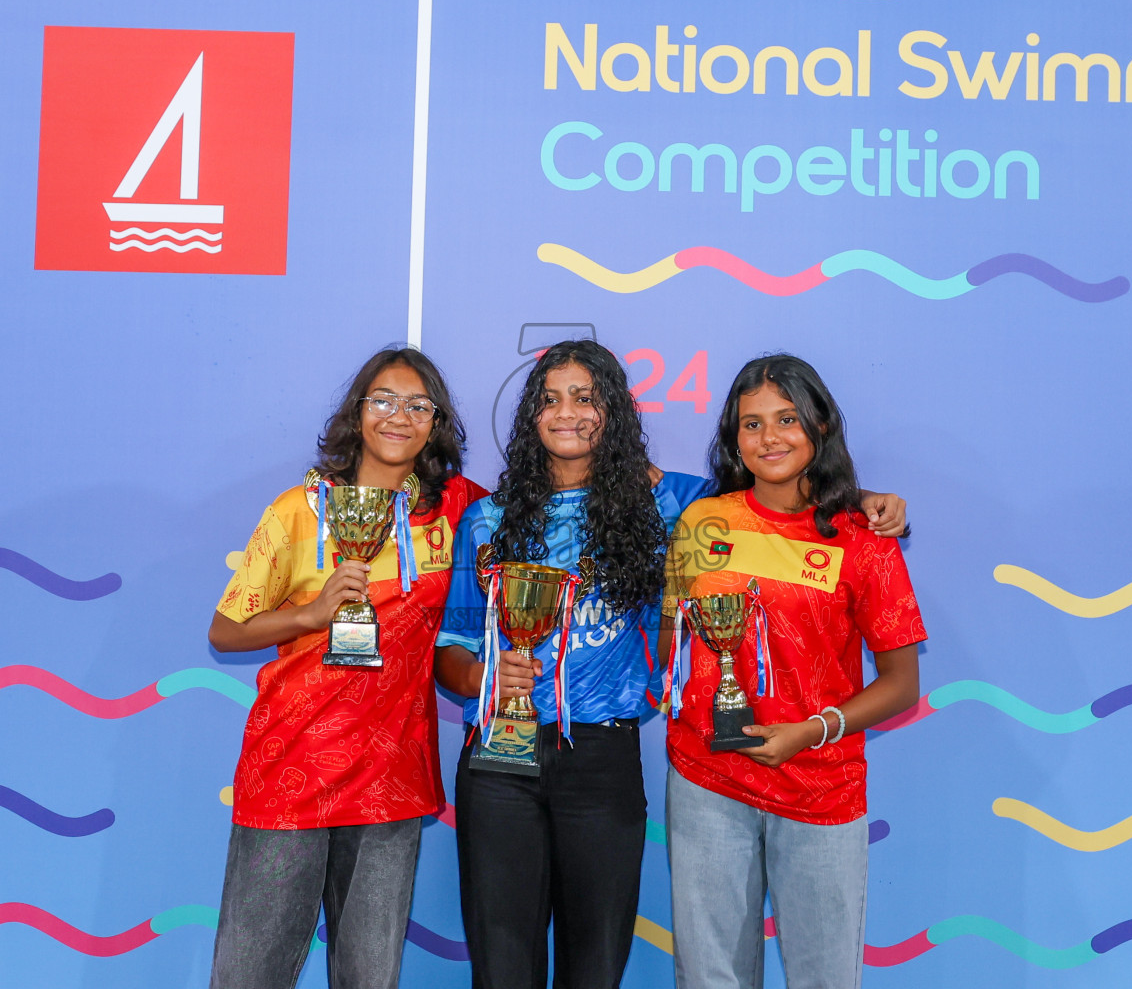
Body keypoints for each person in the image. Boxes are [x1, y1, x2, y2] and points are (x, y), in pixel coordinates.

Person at [434, 340, 908, 989]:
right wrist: (482, 678)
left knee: (595, 965)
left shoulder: (675, 508)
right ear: (529, 418)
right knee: (502, 965)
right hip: (497, 757)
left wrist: (867, 501)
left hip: (601, 759)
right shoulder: (486, 519)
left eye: (585, 397)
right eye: (549, 400)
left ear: (616, 413)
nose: (566, 412)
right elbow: (452, 646)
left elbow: (779, 494)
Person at [206, 347, 486, 989]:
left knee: (369, 978)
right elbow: (225, 629)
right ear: (357, 412)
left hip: (391, 777)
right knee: (250, 975)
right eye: (384, 400)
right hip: (291, 770)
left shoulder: (457, 510)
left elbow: (536, 507)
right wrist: (310, 616)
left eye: (419, 406)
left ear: (436, 423)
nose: (400, 417)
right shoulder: (297, 511)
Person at [663, 354, 927, 989]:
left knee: (824, 977)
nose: (769, 438)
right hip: (708, 775)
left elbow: (901, 684)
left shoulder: (865, 538)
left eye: (786, 419)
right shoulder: (703, 521)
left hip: (819, 785)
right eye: (750, 425)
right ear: (732, 438)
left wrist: (811, 731)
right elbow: (668, 645)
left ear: (820, 425)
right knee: (708, 977)